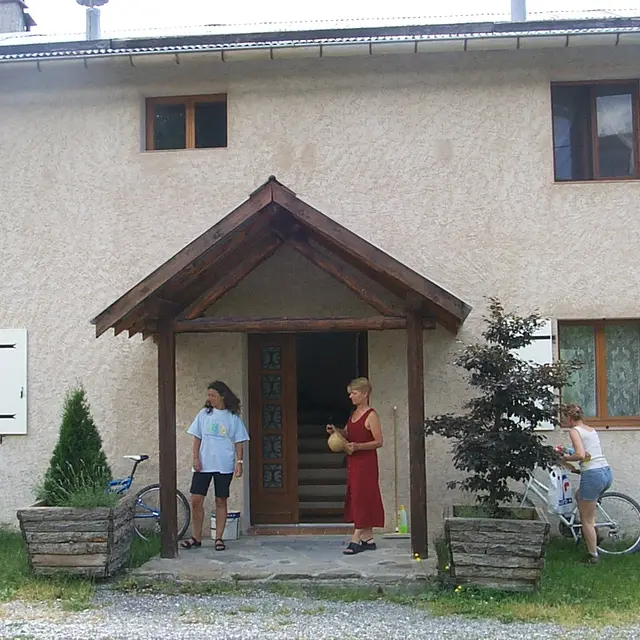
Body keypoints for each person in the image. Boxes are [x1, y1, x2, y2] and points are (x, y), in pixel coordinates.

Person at [181, 381, 249, 551]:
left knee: (221, 499)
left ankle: (218, 537)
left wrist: (239, 463)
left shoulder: (232, 417)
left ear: (222, 396)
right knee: (196, 499)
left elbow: (239, 441)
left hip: (224, 464)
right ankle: (196, 537)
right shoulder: (204, 414)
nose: (210, 398)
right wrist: (195, 458)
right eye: (209, 395)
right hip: (204, 464)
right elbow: (197, 437)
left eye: (213, 395)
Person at [327, 377, 384, 555]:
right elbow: (348, 432)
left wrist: (358, 446)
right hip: (353, 462)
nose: (351, 396)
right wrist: (336, 431)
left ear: (365, 394)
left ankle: (356, 537)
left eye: (354, 393)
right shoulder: (354, 414)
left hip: (366, 463)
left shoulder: (371, 415)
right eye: (350, 393)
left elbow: (379, 441)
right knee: (356, 496)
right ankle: (368, 539)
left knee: (363, 497)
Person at [561, 403, 613, 565]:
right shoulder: (590, 430)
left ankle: (593, 556)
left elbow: (581, 454)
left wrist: (563, 458)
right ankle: (595, 535)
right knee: (580, 497)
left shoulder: (574, 431)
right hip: (605, 472)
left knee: (587, 520)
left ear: (569, 418)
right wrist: (571, 455)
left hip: (593, 475)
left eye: (564, 418)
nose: (564, 421)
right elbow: (589, 454)